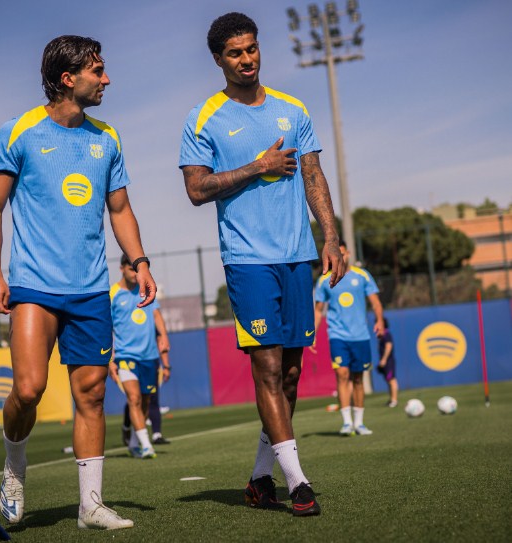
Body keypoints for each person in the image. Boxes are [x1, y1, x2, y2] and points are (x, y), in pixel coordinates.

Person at [0, 35, 156, 530]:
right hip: (34, 286)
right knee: (29, 389)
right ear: (67, 78)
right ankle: (14, 466)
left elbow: (119, 209)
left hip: (91, 290)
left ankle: (90, 505)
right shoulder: (18, 132)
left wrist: (140, 261)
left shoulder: (108, 138)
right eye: (97, 71)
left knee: (92, 395)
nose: (106, 79)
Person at [179, 12, 346, 517]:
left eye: (251, 48)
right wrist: (259, 166)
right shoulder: (203, 118)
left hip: (297, 256)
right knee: (268, 366)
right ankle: (298, 483)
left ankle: (259, 478)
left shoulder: (293, 109)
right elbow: (196, 189)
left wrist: (331, 236)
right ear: (218, 59)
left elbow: (313, 175)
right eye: (235, 53)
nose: (246, 59)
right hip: (248, 260)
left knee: (291, 374)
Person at [314, 240, 384, 436]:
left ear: (349, 253)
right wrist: (312, 333)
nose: (340, 257)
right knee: (342, 374)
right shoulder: (324, 279)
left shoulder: (362, 276)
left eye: (342, 254)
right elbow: (318, 310)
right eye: (336, 255)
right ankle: (346, 423)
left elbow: (376, 303)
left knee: (358, 378)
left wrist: (379, 320)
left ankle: (359, 423)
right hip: (337, 335)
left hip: (360, 336)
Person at [109, 254, 171, 459]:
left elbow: (156, 315)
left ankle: (134, 442)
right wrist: (110, 359)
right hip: (126, 356)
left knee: (144, 401)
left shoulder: (145, 289)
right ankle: (146, 445)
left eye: (137, 270)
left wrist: (164, 337)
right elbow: (106, 327)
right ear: (121, 268)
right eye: (130, 269)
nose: (134, 274)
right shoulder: (113, 294)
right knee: (133, 398)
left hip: (150, 356)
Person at [377, 317, 399, 407]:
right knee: (388, 380)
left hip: (388, 362)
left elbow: (388, 346)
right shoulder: (382, 335)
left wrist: (384, 359)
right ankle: (391, 399)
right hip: (386, 362)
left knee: (391, 380)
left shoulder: (386, 334)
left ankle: (394, 400)